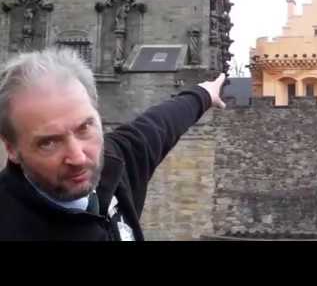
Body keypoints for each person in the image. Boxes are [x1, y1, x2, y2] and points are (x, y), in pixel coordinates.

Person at [0, 47, 226, 240]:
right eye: (49, 143)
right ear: (11, 148)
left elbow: (161, 124)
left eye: (84, 127)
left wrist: (203, 94)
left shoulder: (115, 162)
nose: (78, 157)